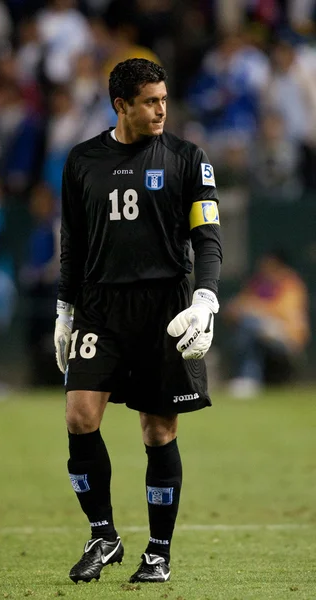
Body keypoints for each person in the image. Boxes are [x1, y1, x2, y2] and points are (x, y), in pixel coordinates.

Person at [54, 58, 223, 584]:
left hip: (164, 309)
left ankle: (158, 552)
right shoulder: (82, 160)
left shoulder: (187, 157)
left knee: (157, 430)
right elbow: (73, 245)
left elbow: (207, 236)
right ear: (120, 104)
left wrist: (205, 299)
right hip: (100, 308)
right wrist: (64, 309)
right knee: (80, 417)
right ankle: (103, 535)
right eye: (151, 101)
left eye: (165, 100)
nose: (161, 110)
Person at [224, 250, 310, 399]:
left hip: (288, 338)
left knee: (251, 324)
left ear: (279, 266)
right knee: (249, 326)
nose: (265, 268)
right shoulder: (258, 284)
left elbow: (285, 313)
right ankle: (248, 379)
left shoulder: (290, 284)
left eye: (269, 265)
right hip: (259, 333)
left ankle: (248, 378)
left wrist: (256, 310)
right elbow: (238, 306)